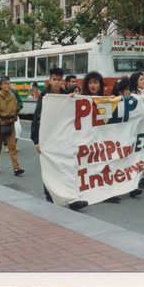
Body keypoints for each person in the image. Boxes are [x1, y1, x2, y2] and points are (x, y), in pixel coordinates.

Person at [32, 68, 87, 210]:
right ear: (50, 80)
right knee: (49, 168)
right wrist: (36, 141)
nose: (56, 82)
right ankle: (50, 197)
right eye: (54, 80)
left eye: (59, 80)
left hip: (63, 138)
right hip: (47, 139)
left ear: (63, 80)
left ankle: (72, 199)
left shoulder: (65, 95)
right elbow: (37, 118)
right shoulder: (45, 96)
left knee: (67, 168)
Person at [81, 71, 122, 204]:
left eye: (96, 82)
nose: (93, 85)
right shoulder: (80, 99)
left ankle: (106, 193)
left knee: (105, 165)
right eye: (90, 82)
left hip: (102, 139)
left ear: (100, 85)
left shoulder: (106, 100)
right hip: (86, 139)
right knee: (87, 166)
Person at [0, 76, 24, 176]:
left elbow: (17, 109)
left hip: (10, 124)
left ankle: (16, 168)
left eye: (9, 83)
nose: (8, 85)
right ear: (1, 85)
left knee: (12, 147)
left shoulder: (12, 96)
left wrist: (13, 119)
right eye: (5, 83)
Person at [129, 71, 144, 189]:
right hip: (136, 128)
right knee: (136, 153)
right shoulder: (132, 95)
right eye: (141, 79)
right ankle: (137, 177)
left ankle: (142, 176)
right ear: (135, 81)